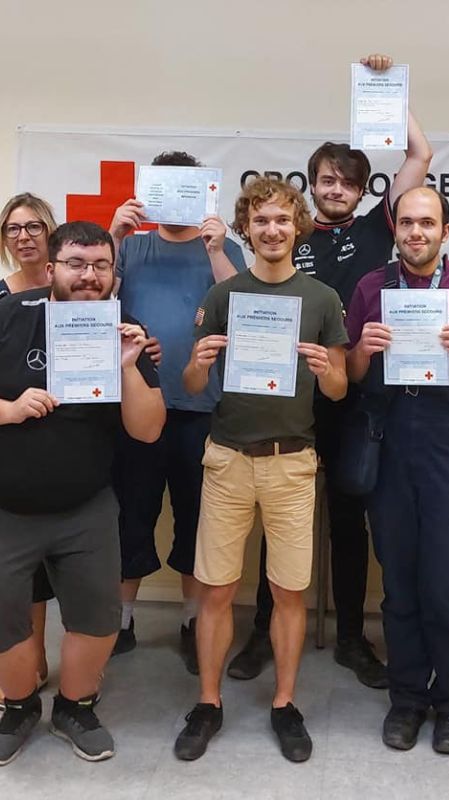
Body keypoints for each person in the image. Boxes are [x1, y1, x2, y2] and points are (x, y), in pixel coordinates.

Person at [229, 52, 432, 689]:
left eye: (347, 180)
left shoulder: (381, 228)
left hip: (357, 400)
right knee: (275, 516)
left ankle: (349, 635)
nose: (335, 188)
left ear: (365, 189)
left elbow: (419, 156)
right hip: (287, 399)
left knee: (348, 520)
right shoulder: (289, 235)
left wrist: (385, 88)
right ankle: (263, 630)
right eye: (325, 179)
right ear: (310, 184)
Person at [173, 177, 348, 763]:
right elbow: (193, 385)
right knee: (217, 589)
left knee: (288, 590)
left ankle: (285, 703)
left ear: (297, 226)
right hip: (226, 459)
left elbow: (342, 387)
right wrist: (197, 364)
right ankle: (207, 701)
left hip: (292, 462)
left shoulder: (322, 299)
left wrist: (327, 369)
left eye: (282, 220)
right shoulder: (226, 296)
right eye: (260, 220)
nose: (271, 230)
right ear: (245, 229)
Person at [345, 186, 449, 755]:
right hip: (390, 443)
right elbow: (352, 373)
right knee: (399, 584)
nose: (416, 232)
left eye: (427, 223)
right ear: (396, 230)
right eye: (407, 222)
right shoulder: (372, 287)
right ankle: (408, 698)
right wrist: (362, 348)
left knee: (448, 584)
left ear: (446, 229)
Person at [0, 221, 164, 765]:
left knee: (97, 618)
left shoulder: (123, 329)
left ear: (114, 273)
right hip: (9, 506)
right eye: (76, 263)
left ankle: (76, 706)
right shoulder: (7, 315)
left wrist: (128, 372)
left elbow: (148, 430)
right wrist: (10, 409)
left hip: (88, 505)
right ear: (50, 269)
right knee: (6, 618)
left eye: (100, 265)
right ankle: (19, 706)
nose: (89, 275)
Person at [105, 151, 247, 673]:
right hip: (138, 405)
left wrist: (216, 248)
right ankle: (120, 620)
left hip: (203, 408)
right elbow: (95, 303)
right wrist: (115, 238)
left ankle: (192, 620)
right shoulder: (132, 246)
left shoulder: (222, 247)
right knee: (131, 513)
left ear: (202, 192)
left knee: (197, 519)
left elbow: (247, 306)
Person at [0, 193, 60, 702]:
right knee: (19, 572)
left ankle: (43, 654)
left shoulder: (81, 294)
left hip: (70, 450)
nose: (24, 236)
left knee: (52, 565)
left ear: (50, 234)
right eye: (14, 229)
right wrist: (12, 409)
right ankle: (24, 667)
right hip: (13, 450)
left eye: (34, 227)